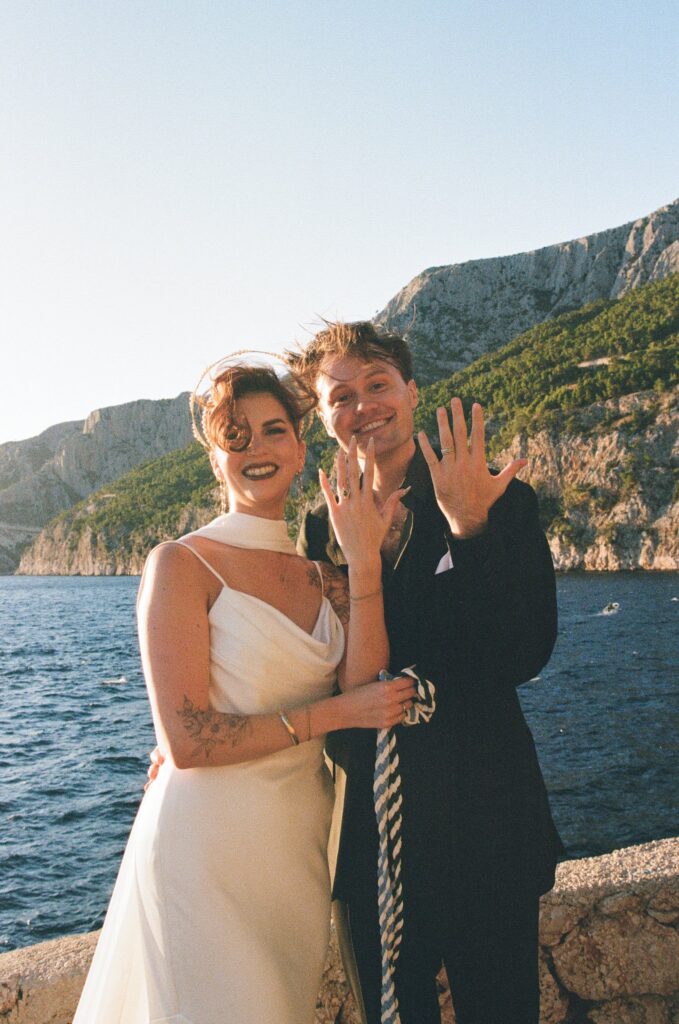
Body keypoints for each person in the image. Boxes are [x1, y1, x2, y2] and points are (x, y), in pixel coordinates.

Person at [73, 360, 418, 1024]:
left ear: (299, 446)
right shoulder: (180, 564)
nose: (257, 449)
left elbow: (362, 681)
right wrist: (335, 714)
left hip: (294, 851)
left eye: (273, 431)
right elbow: (188, 742)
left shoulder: (326, 575)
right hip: (203, 847)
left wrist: (364, 560)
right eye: (237, 437)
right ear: (214, 459)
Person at [288, 321, 565, 1024]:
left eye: (376, 384)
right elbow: (310, 670)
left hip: (486, 820)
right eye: (340, 396)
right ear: (322, 418)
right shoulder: (319, 531)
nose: (363, 407)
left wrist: (469, 531)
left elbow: (524, 652)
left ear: (411, 391)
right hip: (373, 835)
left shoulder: (494, 495)